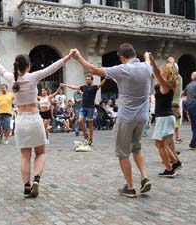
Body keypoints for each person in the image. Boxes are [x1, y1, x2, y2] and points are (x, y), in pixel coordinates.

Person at [0, 50, 75, 198]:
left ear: (16, 67)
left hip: (21, 120)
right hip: (34, 119)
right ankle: (36, 179)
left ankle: (26, 186)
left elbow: (0, 69)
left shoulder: (12, 78)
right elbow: (53, 68)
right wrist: (68, 56)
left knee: (25, 157)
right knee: (40, 152)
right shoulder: (33, 76)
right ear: (28, 66)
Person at [72, 44, 152, 198]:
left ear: (121, 57)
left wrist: (78, 57)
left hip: (126, 118)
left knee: (123, 153)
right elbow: (148, 61)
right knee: (137, 148)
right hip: (142, 117)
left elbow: (94, 70)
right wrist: (148, 56)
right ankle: (144, 177)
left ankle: (129, 187)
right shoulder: (146, 68)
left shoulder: (123, 69)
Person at [148, 54, 183, 178]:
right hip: (165, 117)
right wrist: (171, 63)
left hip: (164, 118)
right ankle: (176, 161)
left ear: (167, 74)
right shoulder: (167, 85)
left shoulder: (166, 86)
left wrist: (152, 61)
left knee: (159, 144)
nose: (160, 72)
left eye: (163, 71)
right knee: (162, 143)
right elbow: (155, 74)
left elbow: (156, 73)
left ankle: (169, 169)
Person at [61, 75, 106, 146]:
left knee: (90, 124)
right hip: (83, 107)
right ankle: (85, 134)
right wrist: (65, 85)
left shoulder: (94, 87)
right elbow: (74, 87)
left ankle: (91, 139)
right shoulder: (83, 87)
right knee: (80, 121)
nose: (87, 80)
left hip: (90, 108)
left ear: (91, 80)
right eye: (86, 79)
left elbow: (101, 84)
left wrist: (106, 78)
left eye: (88, 79)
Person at [167, 57, 183, 143]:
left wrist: (171, 63)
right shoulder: (179, 78)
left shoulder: (177, 78)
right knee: (176, 121)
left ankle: (173, 138)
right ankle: (176, 137)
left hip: (173, 103)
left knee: (173, 121)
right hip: (175, 102)